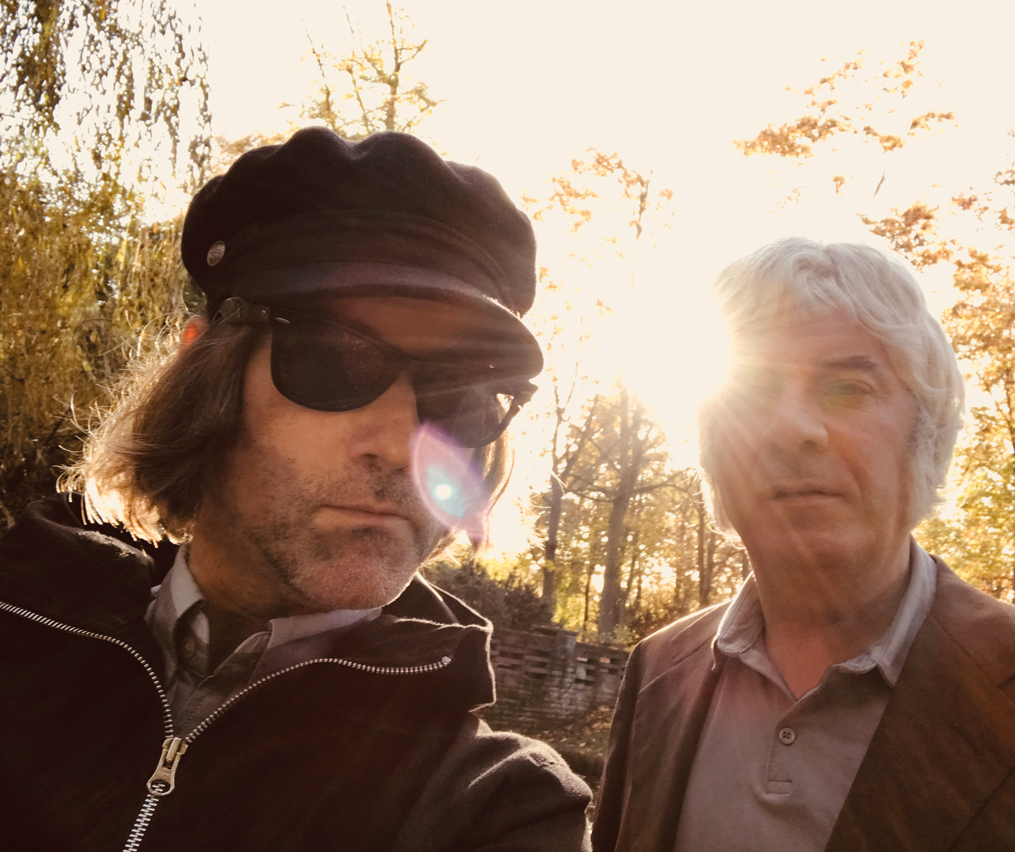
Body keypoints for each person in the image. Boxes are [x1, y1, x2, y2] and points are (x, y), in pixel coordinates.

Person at [0, 128, 590, 852]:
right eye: (334, 362)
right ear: (204, 371)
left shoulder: (498, 807)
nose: (401, 444)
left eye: (458, 395)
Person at [591, 238, 1015, 852]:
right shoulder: (658, 670)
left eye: (846, 389)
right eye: (750, 393)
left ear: (924, 437)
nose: (790, 427)